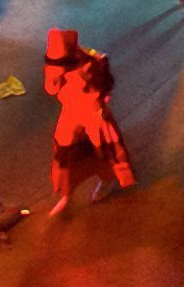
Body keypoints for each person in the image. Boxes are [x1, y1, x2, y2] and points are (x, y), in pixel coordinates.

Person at [43, 23, 133, 208]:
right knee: (66, 151)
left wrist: (99, 103)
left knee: (102, 149)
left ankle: (107, 180)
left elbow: (106, 84)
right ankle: (67, 194)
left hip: (93, 113)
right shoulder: (55, 63)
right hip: (71, 112)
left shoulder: (91, 65)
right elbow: (51, 87)